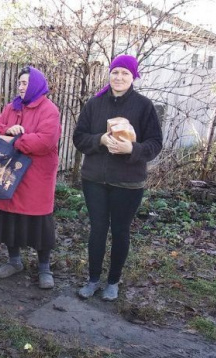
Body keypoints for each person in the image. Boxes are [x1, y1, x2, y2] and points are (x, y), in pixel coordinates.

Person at [72, 54, 163, 301]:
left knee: (121, 231)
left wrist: (133, 150)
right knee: (97, 230)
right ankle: (92, 280)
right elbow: (78, 137)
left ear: (133, 77)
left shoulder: (144, 106)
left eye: (125, 73)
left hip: (128, 181)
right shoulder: (94, 104)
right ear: (109, 75)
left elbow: (155, 143)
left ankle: (113, 281)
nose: (119, 77)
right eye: (115, 72)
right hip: (95, 180)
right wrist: (99, 140)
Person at [0, 66, 62, 289]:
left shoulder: (49, 110)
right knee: (10, 216)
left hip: (37, 176)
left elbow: (45, 141)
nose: (21, 87)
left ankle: (44, 268)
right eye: (20, 83)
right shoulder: (12, 107)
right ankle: (14, 261)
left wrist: (15, 141)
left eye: (26, 83)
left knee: (38, 221)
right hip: (10, 172)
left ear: (37, 85)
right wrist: (9, 129)